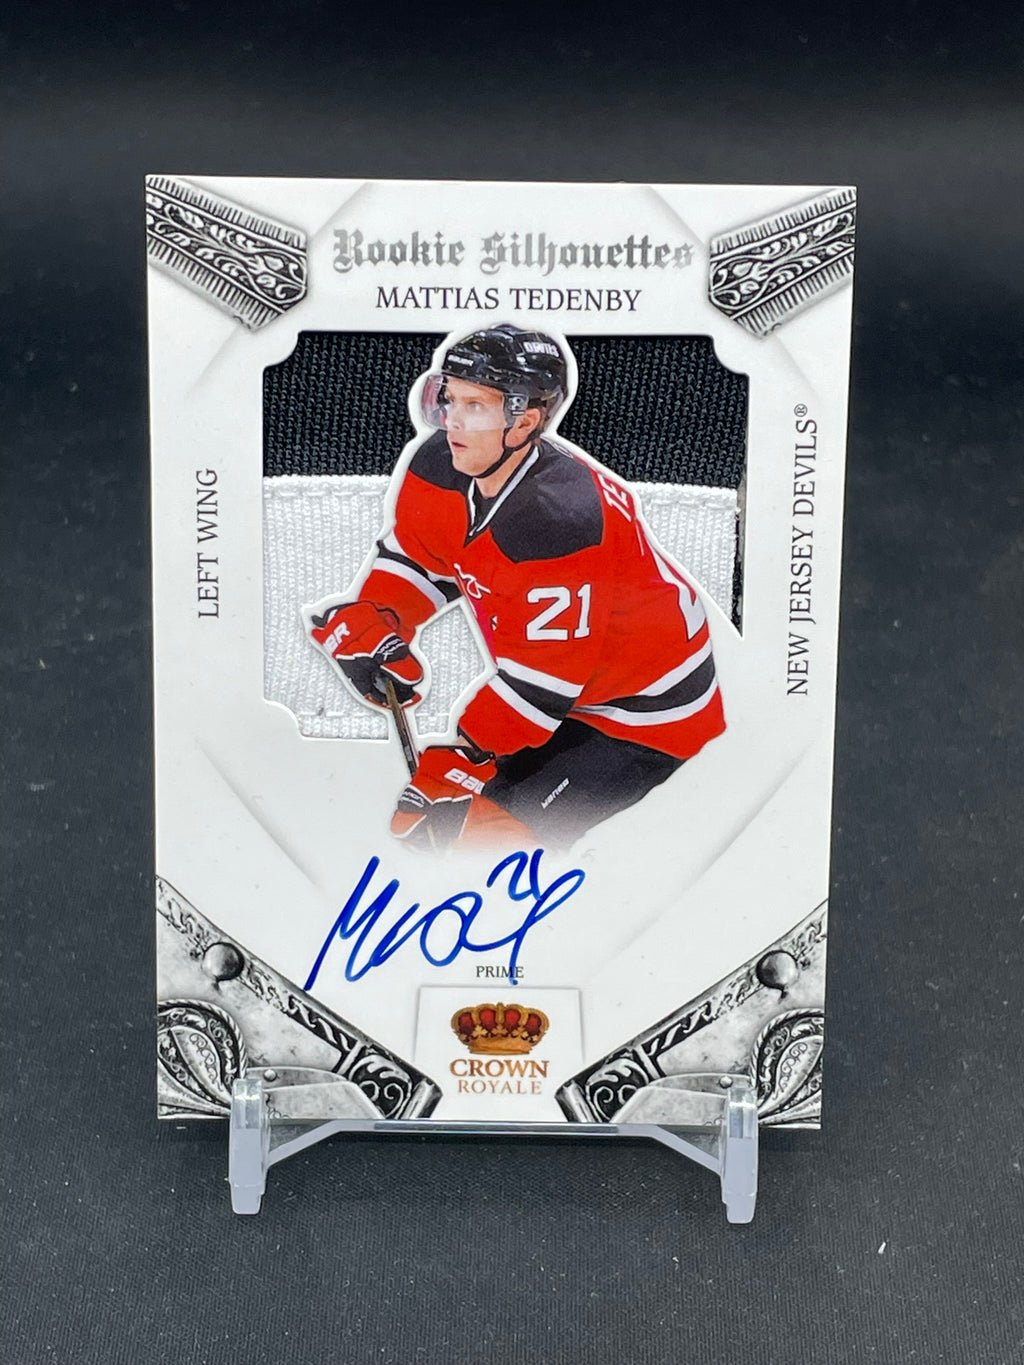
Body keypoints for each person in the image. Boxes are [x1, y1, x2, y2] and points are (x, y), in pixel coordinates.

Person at [308, 324, 725, 848]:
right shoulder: (440, 463)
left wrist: (469, 754)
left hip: (644, 710)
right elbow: (423, 558)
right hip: (562, 686)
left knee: (481, 838)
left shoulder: (560, 517)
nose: (452, 420)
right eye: (449, 398)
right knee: (446, 828)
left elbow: (543, 684)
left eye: (475, 406)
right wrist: (380, 617)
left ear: (523, 422)